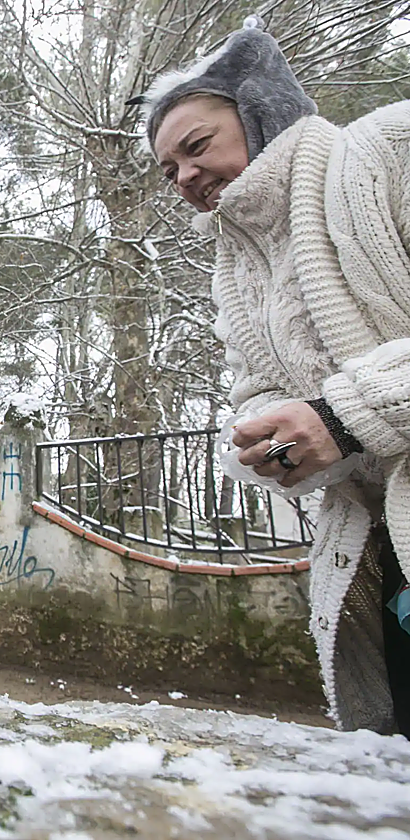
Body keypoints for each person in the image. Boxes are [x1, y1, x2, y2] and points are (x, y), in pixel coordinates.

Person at [133, 16, 410, 733]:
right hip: (379, 548)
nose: (186, 177)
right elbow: (260, 383)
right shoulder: (234, 265)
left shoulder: (388, 149)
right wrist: (269, 440)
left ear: (262, 110)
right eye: (169, 170)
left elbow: (336, 413)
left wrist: (343, 417)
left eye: (197, 147)